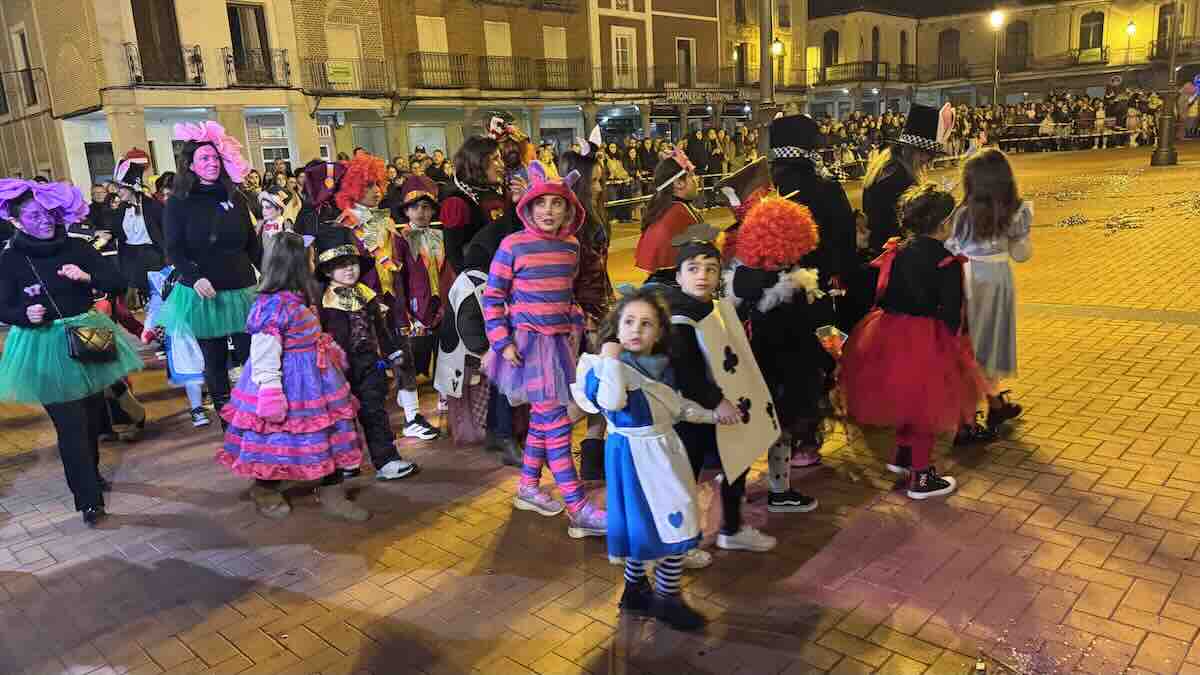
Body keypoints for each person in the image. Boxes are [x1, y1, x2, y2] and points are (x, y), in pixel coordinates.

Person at [572, 288, 724, 631]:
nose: (636, 330)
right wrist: (610, 357)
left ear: (659, 332)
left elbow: (676, 407)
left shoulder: (661, 367)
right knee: (674, 523)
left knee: (651, 526)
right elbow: (610, 401)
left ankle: (635, 590)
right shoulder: (602, 368)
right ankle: (667, 600)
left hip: (665, 453)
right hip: (636, 459)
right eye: (628, 321)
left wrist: (714, 416)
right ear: (616, 326)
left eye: (646, 323)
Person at [0, 179, 144, 527]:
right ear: (17, 221)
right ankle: (87, 498)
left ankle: (90, 476)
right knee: (70, 425)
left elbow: (116, 282)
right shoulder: (10, 259)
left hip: (89, 334)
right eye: (34, 216)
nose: (44, 220)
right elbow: (3, 305)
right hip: (44, 344)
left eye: (47, 212)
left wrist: (86, 278)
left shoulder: (78, 247)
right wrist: (23, 314)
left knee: (93, 418)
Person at [482, 161, 607, 538]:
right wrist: (501, 343)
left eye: (557, 204)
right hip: (525, 348)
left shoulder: (571, 246)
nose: (549, 211)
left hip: (559, 345)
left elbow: (565, 292)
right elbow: (492, 297)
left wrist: (576, 314)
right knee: (556, 425)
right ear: (528, 208)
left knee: (542, 420)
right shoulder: (511, 245)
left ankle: (528, 487)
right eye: (541, 204)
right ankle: (578, 507)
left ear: (570, 209)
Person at [839, 184, 985, 499]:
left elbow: (878, 286)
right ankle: (920, 477)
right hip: (927, 339)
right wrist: (955, 349)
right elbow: (952, 312)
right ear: (945, 224)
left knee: (906, 401)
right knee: (926, 409)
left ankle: (902, 457)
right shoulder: (946, 262)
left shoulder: (895, 251)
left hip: (887, 332)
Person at [664, 231, 804, 557]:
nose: (703, 276)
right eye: (694, 268)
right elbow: (688, 373)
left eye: (711, 269)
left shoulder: (715, 306)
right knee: (686, 475)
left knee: (736, 461)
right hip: (692, 412)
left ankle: (732, 528)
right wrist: (717, 402)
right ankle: (679, 544)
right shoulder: (679, 316)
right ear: (678, 275)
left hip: (724, 408)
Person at [217, 232, 369, 521]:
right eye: (309, 256)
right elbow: (264, 354)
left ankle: (332, 490)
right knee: (277, 437)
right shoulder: (272, 305)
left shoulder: (301, 296)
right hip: (289, 382)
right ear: (295, 262)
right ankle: (265, 488)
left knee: (329, 431)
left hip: (317, 377)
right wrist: (271, 393)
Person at [160, 121, 262, 428]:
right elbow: (174, 250)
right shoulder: (178, 203)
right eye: (204, 158)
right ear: (190, 165)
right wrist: (194, 277)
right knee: (215, 361)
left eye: (215, 158)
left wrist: (272, 277)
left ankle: (258, 412)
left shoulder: (237, 198)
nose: (212, 163)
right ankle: (229, 422)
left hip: (242, 287)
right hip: (205, 292)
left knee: (253, 355)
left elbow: (251, 245)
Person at [730, 196, 834, 474]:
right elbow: (813, 327)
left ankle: (774, 470)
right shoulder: (794, 285)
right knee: (794, 412)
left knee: (771, 414)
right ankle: (790, 467)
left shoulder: (741, 278)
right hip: (793, 361)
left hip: (757, 360)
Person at [314, 227, 422, 481]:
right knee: (342, 417)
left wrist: (392, 352)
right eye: (341, 265)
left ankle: (386, 460)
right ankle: (346, 463)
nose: (350, 269)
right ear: (328, 271)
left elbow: (381, 330)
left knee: (375, 412)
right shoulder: (322, 300)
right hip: (337, 370)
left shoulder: (367, 294)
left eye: (352, 263)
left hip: (369, 364)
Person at [947, 149, 1029, 433]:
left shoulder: (961, 213)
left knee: (969, 343)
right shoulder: (1016, 211)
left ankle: (984, 406)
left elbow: (951, 247)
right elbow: (1022, 254)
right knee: (989, 346)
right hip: (996, 280)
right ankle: (979, 411)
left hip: (966, 278)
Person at [560, 143, 613, 481]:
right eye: (594, 181)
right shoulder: (573, 226)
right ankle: (549, 446)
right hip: (580, 318)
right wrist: (589, 318)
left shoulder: (593, 216)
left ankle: (592, 456)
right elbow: (570, 279)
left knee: (601, 387)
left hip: (598, 310)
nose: (599, 187)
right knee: (580, 394)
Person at [390, 177, 453, 439]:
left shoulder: (440, 235)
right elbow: (397, 279)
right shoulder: (399, 239)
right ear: (406, 211)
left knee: (445, 356)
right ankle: (411, 414)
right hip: (415, 312)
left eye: (427, 207)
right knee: (410, 364)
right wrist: (404, 313)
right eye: (415, 207)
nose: (422, 213)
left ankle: (445, 400)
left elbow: (446, 271)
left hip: (441, 307)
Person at [143, 264, 210, 427]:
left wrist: (150, 326)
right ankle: (197, 407)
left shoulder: (166, 274)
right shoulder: (164, 275)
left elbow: (157, 304)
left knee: (202, 366)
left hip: (199, 323)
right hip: (183, 328)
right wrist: (150, 326)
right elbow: (158, 303)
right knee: (192, 369)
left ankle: (200, 406)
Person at [440, 136, 509, 273]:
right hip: (474, 278)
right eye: (495, 159)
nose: (502, 164)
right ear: (477, 162)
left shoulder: (500, 192)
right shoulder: (456, 202)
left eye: (500, 158)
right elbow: (455, 255)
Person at [635, 151, 701, 281]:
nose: (696, 179)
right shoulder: (678, 214)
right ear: (678, 183)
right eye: (692, 176)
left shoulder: (667, 209)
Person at [110, 148, 166, 300]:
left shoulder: (153, 206)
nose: (118, 192)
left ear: (132, 188)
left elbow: (166, 233)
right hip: (131, 258)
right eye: (117, 188)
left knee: (158, 298)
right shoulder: (120, 209)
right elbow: (115, 232)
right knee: (137, 302)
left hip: (152, 257)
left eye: (121, 188)